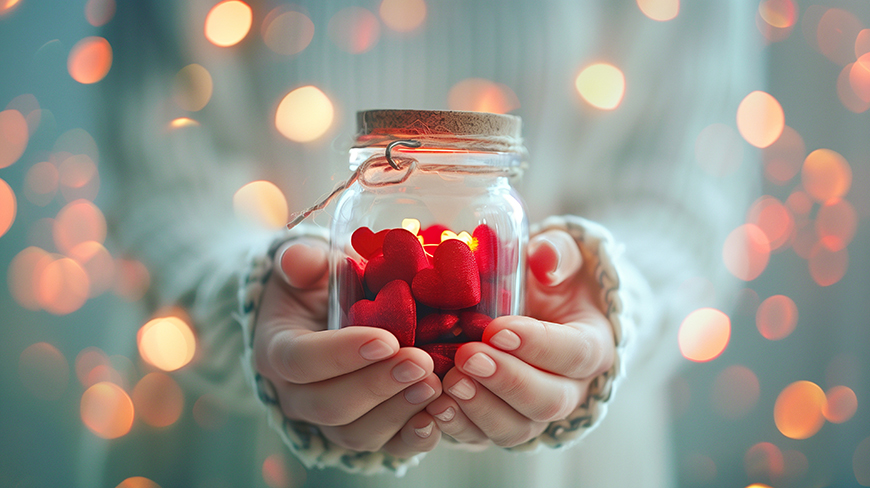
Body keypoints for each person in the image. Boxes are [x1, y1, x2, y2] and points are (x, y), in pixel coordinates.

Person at [93, 0, 762, 486]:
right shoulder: (360, 215)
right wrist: (249, 301)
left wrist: (607, 302)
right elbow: (160, 173)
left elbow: (688, 188)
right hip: (243, 452)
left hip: (567, 466)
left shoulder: (506, 210)